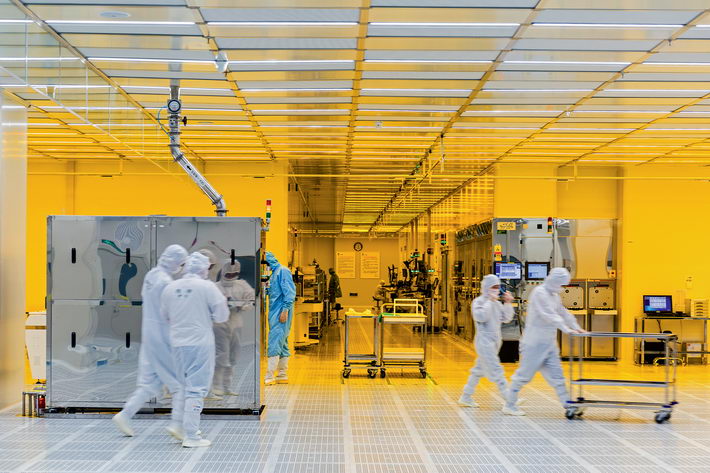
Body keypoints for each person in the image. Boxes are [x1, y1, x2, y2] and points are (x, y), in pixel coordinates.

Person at [112, 245, 188, 439]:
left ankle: (125, 414)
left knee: (149, 384)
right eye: (181, 264)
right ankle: (177, 424)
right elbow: (171, 313)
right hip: (162, 337)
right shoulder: (165, 282)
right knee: (179, 384)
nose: (181, 268)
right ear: (175, 262)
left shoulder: (151, 276)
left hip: (148, 335)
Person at [161, 252, 229, 447]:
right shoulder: (208, 287)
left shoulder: (170, 288)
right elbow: (222, 315)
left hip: (176, 344)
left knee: (181, 387)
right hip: (199, 343)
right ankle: (192, 436)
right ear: (204, 268)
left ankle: (181, 428)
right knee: (196, 389)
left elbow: (164, 316)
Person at [503, 267, 585, 416]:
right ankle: (509, 404)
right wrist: (567, 330)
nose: (562, 288)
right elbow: (549, 315)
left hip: (548, 344)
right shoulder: (540, 293)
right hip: (534, 344)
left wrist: (576, 327)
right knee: (523, 376)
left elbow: (562, 312)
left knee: (557, 376)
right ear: (554, 281)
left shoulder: (554, 295)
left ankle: (568, 405)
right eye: (561, 284)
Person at [458, 274, 515, 408]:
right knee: (496, 369)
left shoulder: (496, 303)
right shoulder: (478, 302)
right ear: (486, 287)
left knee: (478, 370)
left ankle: (466, 396)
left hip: (495, 341)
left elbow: (506, 318)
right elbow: (481, 317)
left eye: (498, 287)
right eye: (493, 287)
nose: (496, 289)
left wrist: (507, 303)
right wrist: (489, 301)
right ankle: (510, 399)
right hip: (484, 341)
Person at [211, 261, 255, 397]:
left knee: (233, 357)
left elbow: (251, 300)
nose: (231, 277)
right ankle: (216, 386)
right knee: (221, 356)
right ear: (223, 272)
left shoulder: (242, 285)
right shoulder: (214, 287)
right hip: (219, 325)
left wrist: (241, 306)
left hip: (236, 323)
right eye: (229, 274)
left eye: (234, 274)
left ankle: (227, 387)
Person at [264, 251, 296, 386]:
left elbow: (289, 293)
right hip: (275, 313)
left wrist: (285, 311)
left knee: (274, 341)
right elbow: (273, 292)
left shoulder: (283, 271)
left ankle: (269, 375)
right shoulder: (274, 274)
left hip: (280, 313)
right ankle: (282, 375)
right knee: (282, 342)